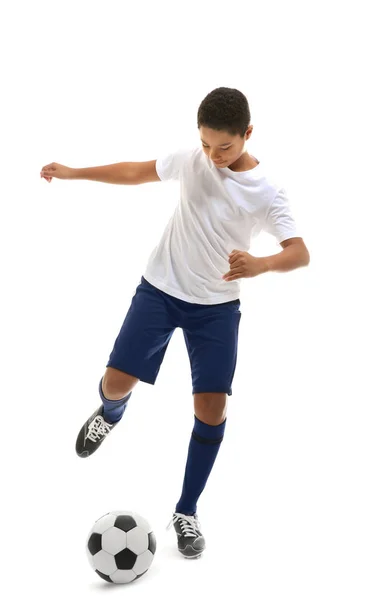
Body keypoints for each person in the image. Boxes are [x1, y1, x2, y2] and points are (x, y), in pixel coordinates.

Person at [40, 87, 310, 559]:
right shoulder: (193, 161)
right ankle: (110, 414)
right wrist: (74, 172)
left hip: (216, 308)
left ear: (248, 133)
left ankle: (186, 511)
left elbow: (299, 252)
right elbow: (137, 172)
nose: (213, 155)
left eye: (224, 146)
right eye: (205, 144)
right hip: (160, 290)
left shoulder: (268, 192)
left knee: (211, 408)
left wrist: (262, 264)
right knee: (116, 383)